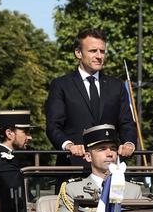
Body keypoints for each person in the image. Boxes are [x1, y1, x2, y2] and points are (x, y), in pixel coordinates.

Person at [45, 29, 137, 169]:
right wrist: (68, 145)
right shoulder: (61, 85)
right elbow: (53, 126)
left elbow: (127, 123)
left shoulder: (116, 86)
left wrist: (129, 143)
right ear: (78, 53)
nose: (99, 56)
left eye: (102, 51)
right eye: (93, 51)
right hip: (73, 167)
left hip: (110, 168)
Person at [57, 124, 143, 212]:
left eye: (113, 149)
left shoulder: (133, 191)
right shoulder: (73, 190)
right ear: (88, 157)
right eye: (102, 149)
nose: (110, 154)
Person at [0, 110, 34, 197]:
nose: (30, 137)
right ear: (9, 134)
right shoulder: (5, 164)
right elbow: (19, 197)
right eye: (25, 132)